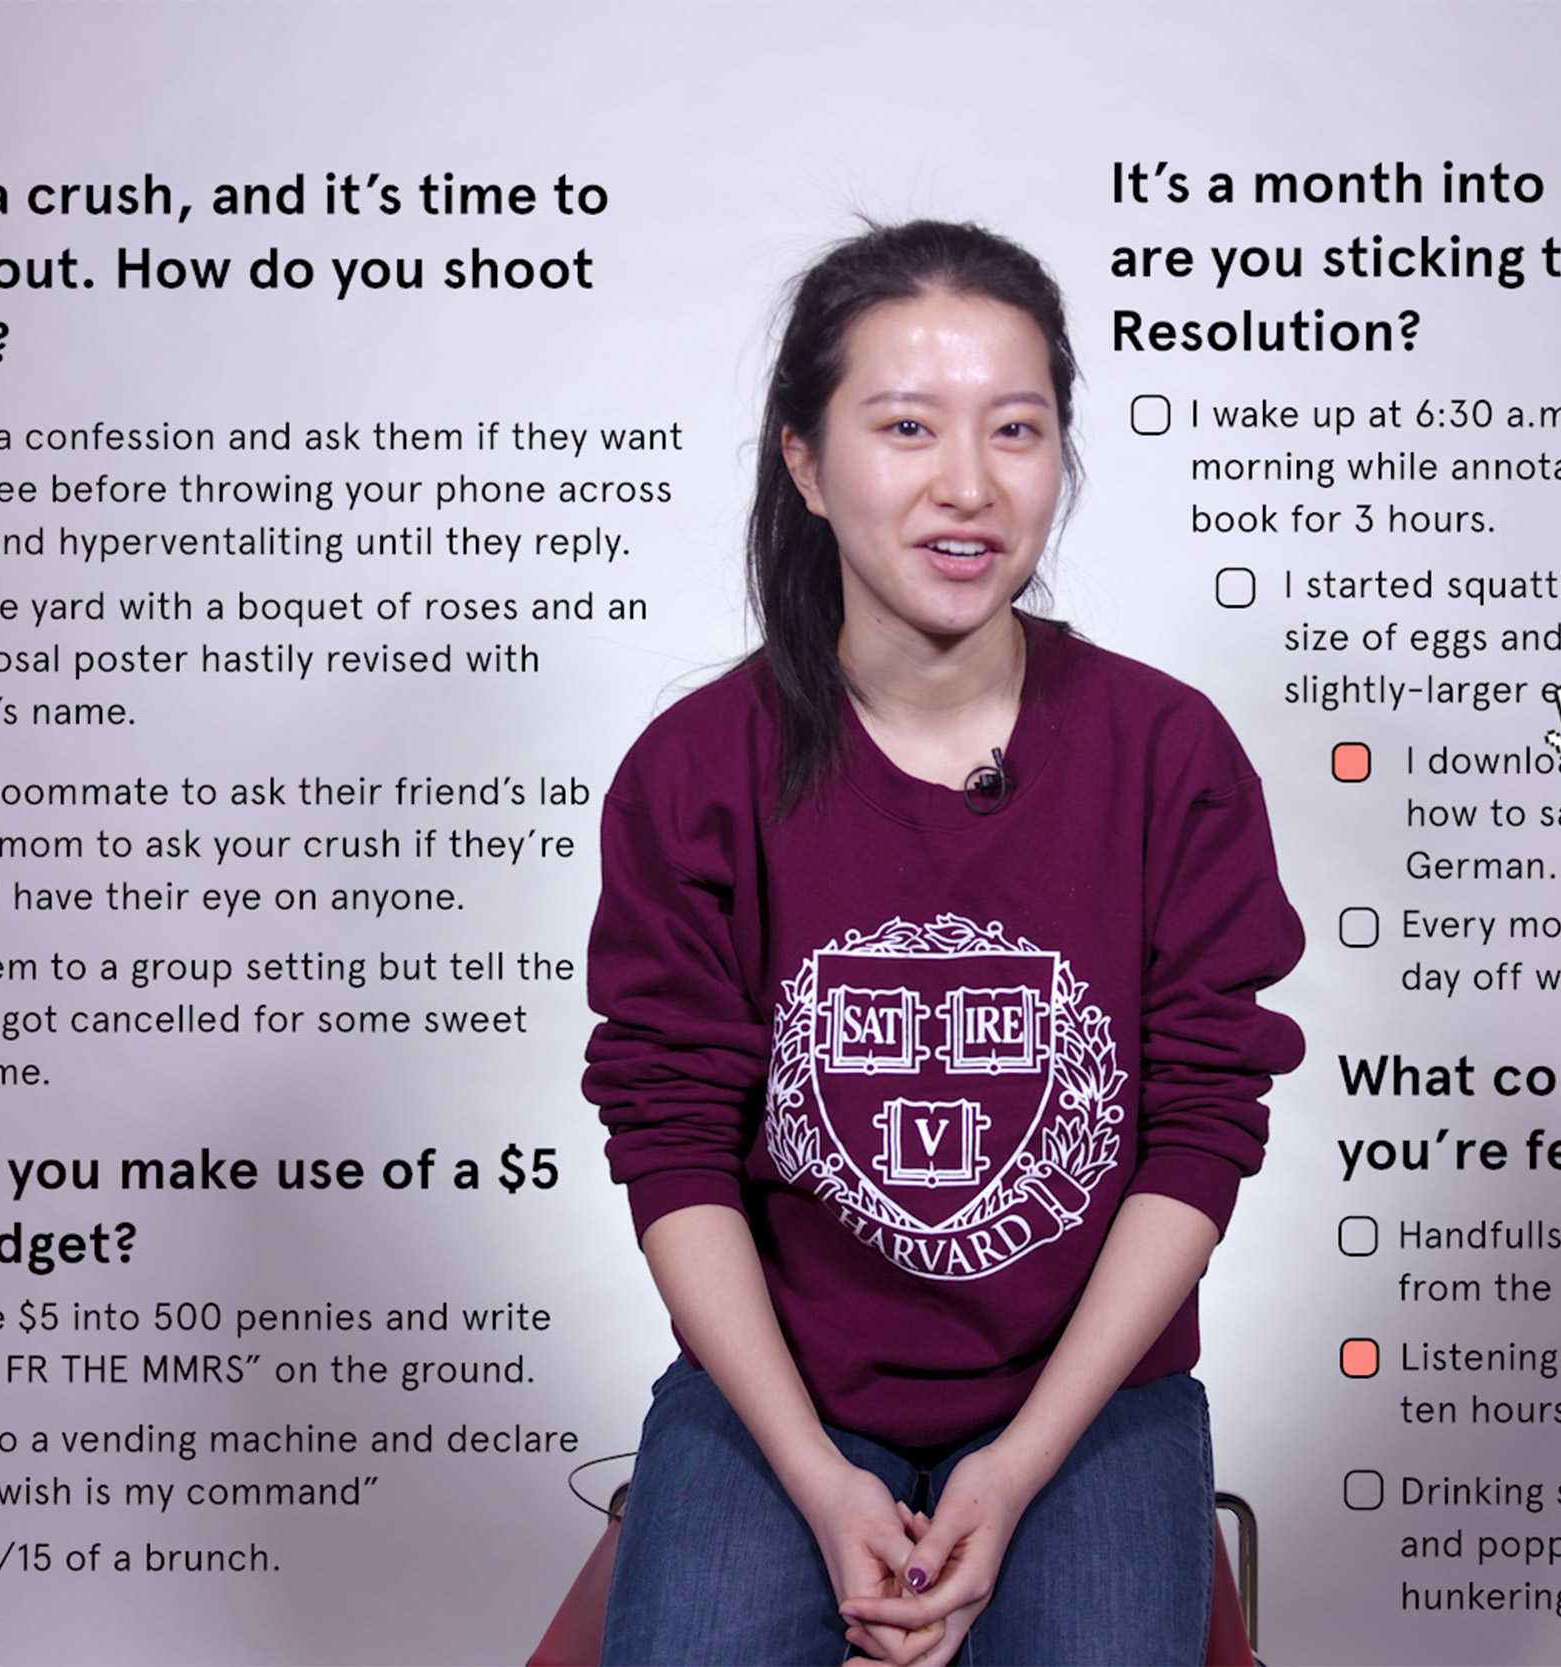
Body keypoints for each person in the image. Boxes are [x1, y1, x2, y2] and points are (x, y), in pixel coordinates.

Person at [583, 220, 1304, 1666]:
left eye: (1016, 428)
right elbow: (670, 1136)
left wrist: (1024, 1458)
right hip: (782, 1387)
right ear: (802, 460)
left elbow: (1203, 1123)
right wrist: (811, 1471)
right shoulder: (695, 765)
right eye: (905, 426)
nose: (967, 485)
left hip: (1091, 1392)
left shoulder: (1168, 752)